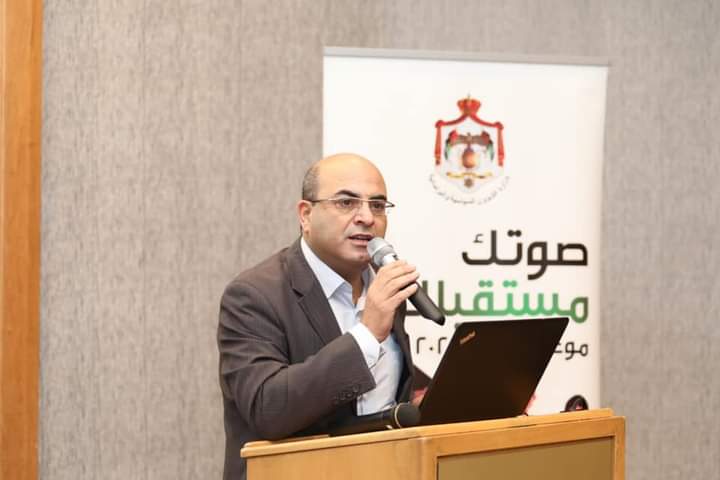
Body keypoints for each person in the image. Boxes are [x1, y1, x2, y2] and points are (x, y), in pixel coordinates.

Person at [217, 153, 418, 479]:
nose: (367, 217)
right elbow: (268, 408)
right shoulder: (253, 296)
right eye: (346, 203)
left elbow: (384, 389)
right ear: (306, 215)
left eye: (378, 205)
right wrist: (367, 334)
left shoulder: (384, 287)